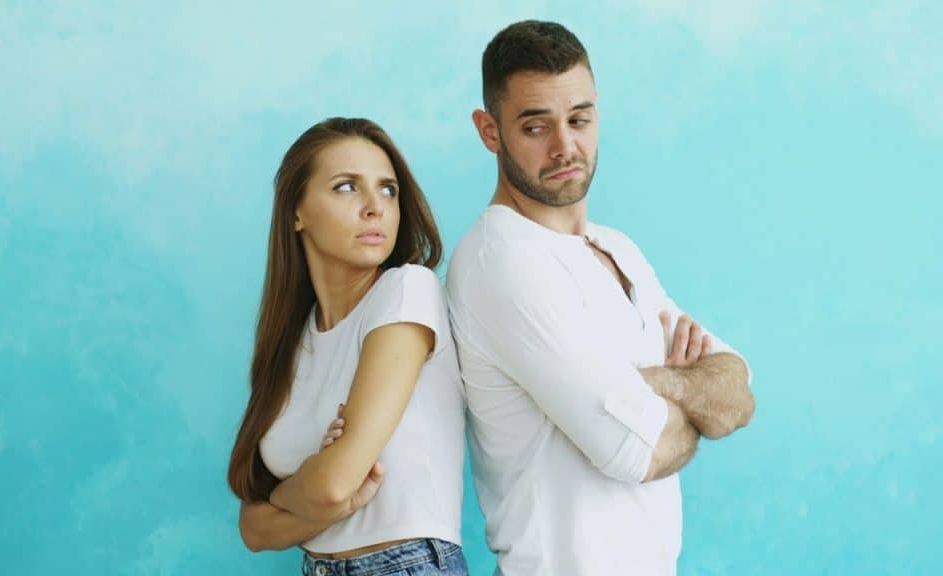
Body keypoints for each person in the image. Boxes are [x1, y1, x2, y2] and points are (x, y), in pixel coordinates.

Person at [446, 21, 756, 575]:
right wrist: (689, 397)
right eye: (536, 126)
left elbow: (739, 394)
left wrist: (655, 386)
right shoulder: (502, 260)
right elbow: (639, 452)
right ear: (489, 131)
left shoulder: (618, 248)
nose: (566, 146)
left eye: (580, 119)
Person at [228, 117, 469, 576]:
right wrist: (317, 488)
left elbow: (335, 486)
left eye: (388, 190)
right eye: (346, 187)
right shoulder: (292, 342)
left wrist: (292, 495)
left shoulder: (406, 291)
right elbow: (253, 530)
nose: (375, 207)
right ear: (296, 212)